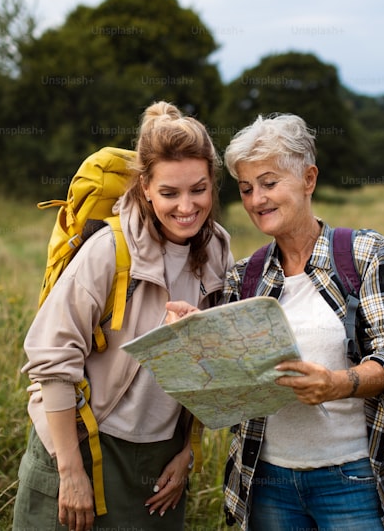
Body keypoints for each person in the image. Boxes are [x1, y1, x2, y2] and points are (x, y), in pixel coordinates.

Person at [13, 102, 234, 531]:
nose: (186, 207)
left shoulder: (218, 250)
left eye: (199, 189)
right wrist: (71, 473)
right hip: (80, 445)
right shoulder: (109, 249)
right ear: (145, 187)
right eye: (169, 193)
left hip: (159, 461)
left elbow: (210, 366)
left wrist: (186, 450)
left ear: (213, 184)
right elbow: (51, 358)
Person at [221, 113, 384, 531]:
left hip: (352, 478)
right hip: (267, 480)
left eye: (270, 182)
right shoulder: (245, 276)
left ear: (308, 179)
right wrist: (193, 330)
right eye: (246, 188)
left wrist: (337, 383)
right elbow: (230, 378)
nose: (257, 199)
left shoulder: (366, 254)